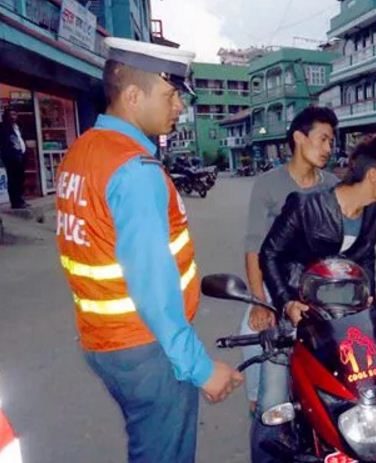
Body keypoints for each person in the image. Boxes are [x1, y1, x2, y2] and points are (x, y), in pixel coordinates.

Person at [54, 37, 243, 463]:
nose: (179, 107)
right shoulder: (134, 170)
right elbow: (153, 289)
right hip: (146, 348)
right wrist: (200, 367)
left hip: (104, 342)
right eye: (171, 95)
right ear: (134, 96)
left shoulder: (81, 154)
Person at [253, 133, 376, 462]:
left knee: (357, 388)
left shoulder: (372, 212)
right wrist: (286, 303)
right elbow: (269, 255)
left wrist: (371, 299)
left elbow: (365, 259)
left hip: (342, 315)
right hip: (297, 311)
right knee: (272, 405)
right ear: (374, 176)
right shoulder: (307, 205)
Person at [241, 106, 340, 460]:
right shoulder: (269, 185)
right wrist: (258, 302)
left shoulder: (332, 186)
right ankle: (260, 419)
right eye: (322, 138)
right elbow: (255, 249)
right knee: (270, 394)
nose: (329, 147)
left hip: (320, 293)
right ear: (299, 138)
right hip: (274, 287)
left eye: (332, 140)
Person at [0, 107, 28, 209]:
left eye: (15, 114)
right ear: (6, 116)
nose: (14, 117)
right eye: (11, 114)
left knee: (20, 179)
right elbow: (5, 143)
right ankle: (15, 202)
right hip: (11, 157)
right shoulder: (3, 127)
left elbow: (20, 139)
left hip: (20, 156)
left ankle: (21, 199)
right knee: (13, 179)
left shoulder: (17, 127)